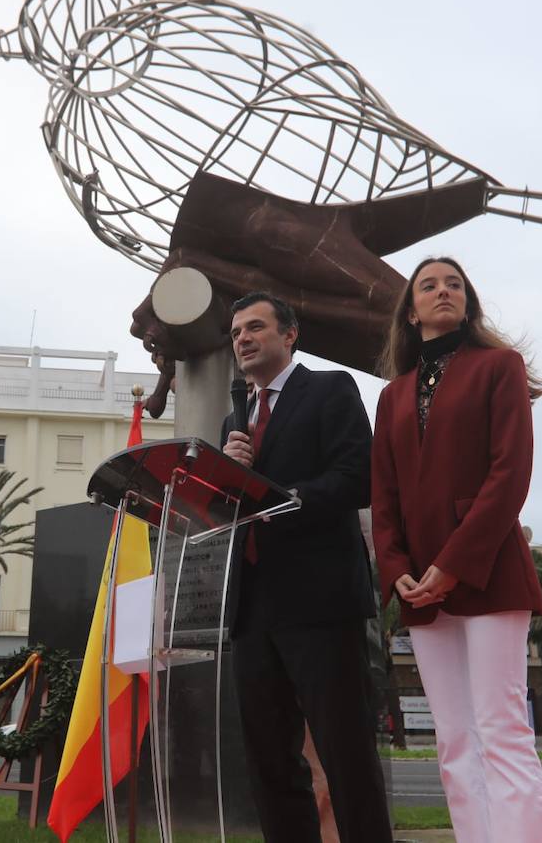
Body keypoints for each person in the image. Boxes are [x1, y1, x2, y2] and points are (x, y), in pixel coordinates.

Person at [370, 256, 542, 843]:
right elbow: (383, 498)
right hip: (419, 588)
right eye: (429, 285)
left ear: (468, 302)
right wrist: (396, 571)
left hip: (489, 570)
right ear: (411, 310)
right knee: (452, 739)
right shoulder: (392, 397)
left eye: (454, 284)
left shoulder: (500, 366)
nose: (443, 291)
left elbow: (510, 475)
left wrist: (450, 565)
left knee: (501, 728)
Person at [221, 292, 392, 843]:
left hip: (320, 603)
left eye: (255, 327)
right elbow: (231, 510)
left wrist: (277, 499)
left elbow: (357, 477)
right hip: (252, 610)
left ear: (290, 335)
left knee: (346, 753)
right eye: (236, 333)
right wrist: (226, 478)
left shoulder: (329, 390)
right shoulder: (234, 419)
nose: (243, 339)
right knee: (269, 759)